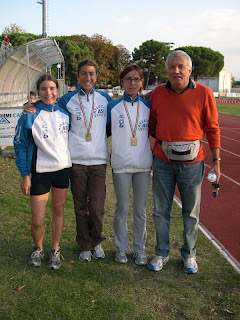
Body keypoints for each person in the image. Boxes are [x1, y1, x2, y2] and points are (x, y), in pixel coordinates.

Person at [148, 50, 221, 274]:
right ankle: (161, 252)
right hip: (162, 162)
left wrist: (216, 162)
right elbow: (151, 125)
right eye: (172, 67)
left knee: (190, 212)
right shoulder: (158, 93)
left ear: (190, 70)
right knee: (161, 211)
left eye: (181, 67)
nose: (176, 71)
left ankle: (189, 254)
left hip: (192, 164)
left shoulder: (205, 93)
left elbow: (212, 129)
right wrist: (156, 150)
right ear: (167, 70)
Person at [14, 74, 71, 270]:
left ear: (58, 90)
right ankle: (38, 247)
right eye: (44, 89)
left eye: (52, 88)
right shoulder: (29, 114)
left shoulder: (66, 112)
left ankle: (55, 250)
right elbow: (20, 144)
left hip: (62, 170)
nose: (49, 92)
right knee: (37, 219)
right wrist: (25, 174)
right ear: (37, 92)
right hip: (40, 172)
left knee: (58, 211)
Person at [57, 59, 112, 262]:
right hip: (77, 161)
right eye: (83, 73)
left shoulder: (106, 99)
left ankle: (97, 241)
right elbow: (52, 113)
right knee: (80, 206)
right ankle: (85, 245)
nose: (87, 77)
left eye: (91, 74)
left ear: (96, 76)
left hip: (98, 162)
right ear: (78, 76)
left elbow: (111, 122)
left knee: (96, 206)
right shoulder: (67, 100)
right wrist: (32, 106)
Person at [107, 65, 152, 265]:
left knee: (140, 210)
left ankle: (140, 249)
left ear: (142, 82)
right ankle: (121, 248)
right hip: (121, 165)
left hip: (143, 165)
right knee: (122, 208)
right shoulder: (113, 107)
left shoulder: (149, 106)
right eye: (128, 79)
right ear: (122, 82)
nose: (132, 83)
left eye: (136, 79)